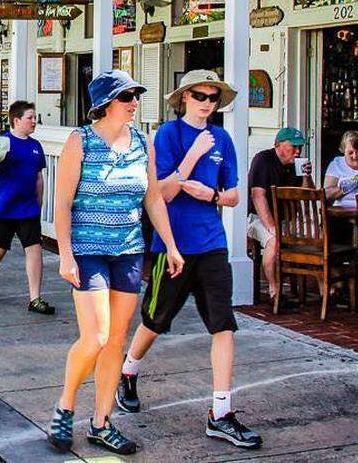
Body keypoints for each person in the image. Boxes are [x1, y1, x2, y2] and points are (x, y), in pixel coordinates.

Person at [118, 69, 262, 450]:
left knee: (223, 325)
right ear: (184, 98)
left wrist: (211, 196)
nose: (208, 104)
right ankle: (128, 370)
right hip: (172, 247)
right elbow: (160, 194)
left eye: (214, 98)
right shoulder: (167, 136)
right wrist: (191, 160)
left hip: (212, 244)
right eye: (200, 96)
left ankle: (221, 412)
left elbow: (233, 195)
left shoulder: (224, 139)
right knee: (156, 320)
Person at [47, 71, 181, 455]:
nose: (134, 102)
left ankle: (102, 422)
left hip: (128, 250)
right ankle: (65, 405)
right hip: (88, 251)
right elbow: (62, 203)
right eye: (127, 97)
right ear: (106, 103)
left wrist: (170, 245)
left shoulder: (143, 142)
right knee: (96, 337)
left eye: (136, 95)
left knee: (117, 341)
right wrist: (66, 254)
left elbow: (152, 199)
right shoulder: (81, 141)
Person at [0, 100, 54, 315]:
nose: (33, 122)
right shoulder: (2, 142)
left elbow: (39, 177)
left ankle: (35, 298)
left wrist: (39, 203)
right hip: (4, 207)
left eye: (34, 118)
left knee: (34, 249)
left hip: (28, 209)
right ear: (16, 120)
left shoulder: (35, 146)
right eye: (30, 118)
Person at [247, 127, 314, 307]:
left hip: (289, 219)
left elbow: (308, 195)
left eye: (300, 147)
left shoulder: (296, 165)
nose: (298, 151)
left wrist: (306, 176)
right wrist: (271, 227)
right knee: (274, 241)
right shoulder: (263, 160)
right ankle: (275, 292)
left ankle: (326, 291)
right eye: (294, 147)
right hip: (259, 217)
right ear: (278, 145)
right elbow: (257, 196)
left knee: (318, 236)